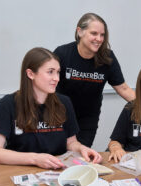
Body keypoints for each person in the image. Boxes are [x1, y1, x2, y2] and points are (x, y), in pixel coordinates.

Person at [0, 47, 102, 169]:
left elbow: (71, 142)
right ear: (30, 74)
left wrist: (81, 148)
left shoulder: (64, 102)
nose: (56, 78)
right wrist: (35, 159)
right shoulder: (8, 104)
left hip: (56, 171)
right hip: (20, 171)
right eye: (50, 72)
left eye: (58, 72)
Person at [54, 12, 135, 148]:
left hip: (87, 120)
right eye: (94, 33)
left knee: (79, 156)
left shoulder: (107, 58)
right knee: (58, 155)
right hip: (59, 116)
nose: (99, 39)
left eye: (102, 35)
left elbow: (123, 88)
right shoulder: (62, 54)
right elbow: (47, 84)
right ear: (79, 32)